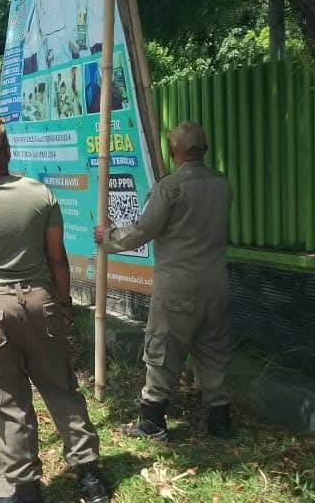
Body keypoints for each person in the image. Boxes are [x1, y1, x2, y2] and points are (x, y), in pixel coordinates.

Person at [0, 114, 109, 503]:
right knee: (60, 387)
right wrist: (63, 300)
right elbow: (57, 258)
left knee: (7, 400)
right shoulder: (40, 195)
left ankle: (29, 498)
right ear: (6, 148)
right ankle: (90, 478)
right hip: (41, 302)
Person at [94, 121, 234, 439]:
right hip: (216, 284)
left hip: (177, 288)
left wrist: (108, 237)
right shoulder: (222, 184)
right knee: (213, 352)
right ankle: (220, 422)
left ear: (174, 152)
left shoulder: (170, 187)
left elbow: (143, 230)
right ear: (205, 150)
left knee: (162, 351)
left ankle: (152, 421)